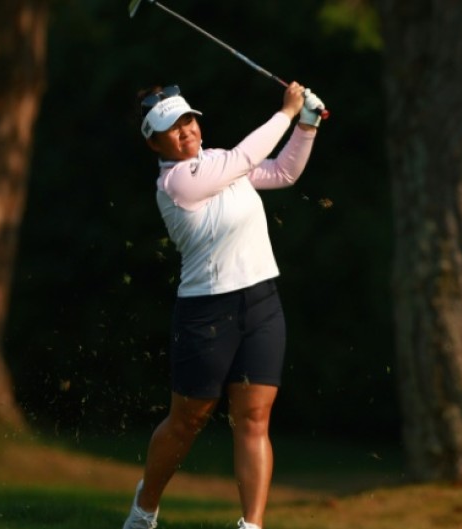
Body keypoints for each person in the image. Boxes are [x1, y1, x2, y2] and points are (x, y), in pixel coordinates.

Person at [122, 81, 324, 529]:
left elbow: (281, 173)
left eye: (188, 120)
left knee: (254, 418)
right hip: (207, 314)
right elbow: (246, 159)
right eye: (171, 128)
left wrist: (306, 126)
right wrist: (287, 112)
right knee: (186, 422)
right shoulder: (174, 183)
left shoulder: (218, 163)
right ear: (154, 143)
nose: (186, 131)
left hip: (262, 303)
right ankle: (144, 508)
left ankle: (251, 525)